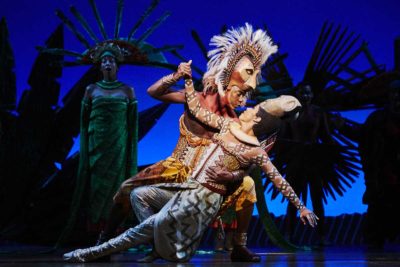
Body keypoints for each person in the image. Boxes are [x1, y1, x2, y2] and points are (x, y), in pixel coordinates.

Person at [63, 75, 318, 263]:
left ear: (259, 120)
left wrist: (301, 207)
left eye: (252, 108)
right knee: (138, 195)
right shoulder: (227, 126)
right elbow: (195, 108)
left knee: (149, 226)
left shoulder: (255, 150)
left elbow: (277, 180)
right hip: (187, 186)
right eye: (246, 101)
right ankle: (153, 244)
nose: (246, 106)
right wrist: (184, 80)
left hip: (204, 200)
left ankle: (89, 253)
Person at [99, 23, 277, 262]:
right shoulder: (195, 98)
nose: (240, 95)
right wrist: (176, 75)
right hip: (175, 166)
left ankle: (238, 246)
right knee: (127, 190)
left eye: (242, 92)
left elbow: (246, 158)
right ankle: (108, 241)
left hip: (207, 177)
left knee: (248, 186)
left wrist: (233, 176)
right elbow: (154, 92)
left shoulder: (234, 120)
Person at [58, 43, 138, 244]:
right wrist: (86, 147)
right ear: (99, 66)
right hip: (96, 146)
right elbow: (83, 122)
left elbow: (132, 124)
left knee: (116, 188)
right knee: (96, 189)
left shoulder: (128, 91)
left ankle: (112, 234)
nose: (107, 63)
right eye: (104, 61)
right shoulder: (91, 90)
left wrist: (129, 150)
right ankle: (95, 235)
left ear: (117, 65)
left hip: (118, 146)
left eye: (111, 60)